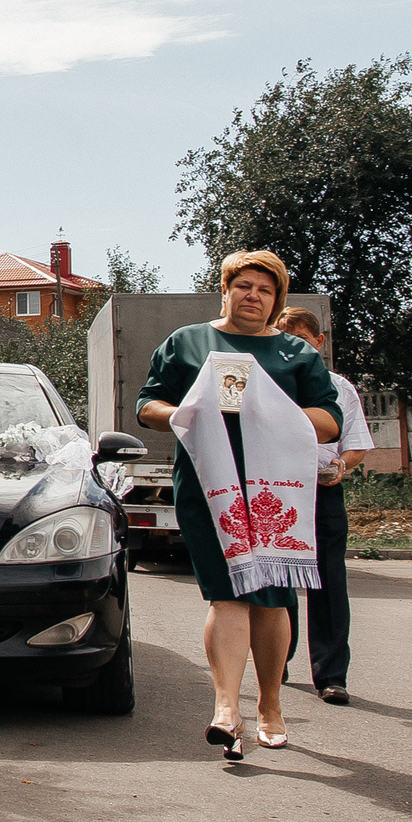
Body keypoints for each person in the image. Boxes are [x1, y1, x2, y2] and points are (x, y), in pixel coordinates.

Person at [137, 251, 342, 759]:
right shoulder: (188, 342)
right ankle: (227, 708)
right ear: (225, 290)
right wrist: (188, 413)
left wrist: (272, 409)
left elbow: (329, 420)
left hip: (277, 491)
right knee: (226, 595)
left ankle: (270, 706)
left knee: (271, 599)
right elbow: (148, 404)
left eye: (266, 290)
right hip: (210, 487)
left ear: (278, 300)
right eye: (244, 286)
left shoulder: (297, 353)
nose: (254, 296)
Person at [275, 306, 371, 704]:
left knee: (329, 581)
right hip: (277, 491)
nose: (294, 348)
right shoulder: (269, 383)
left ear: (319, 342)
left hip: (323, 490)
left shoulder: (338, 387)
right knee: (277, 578)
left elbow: (357, 446)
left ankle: (331, 675)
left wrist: (339, 466)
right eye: (286, 341)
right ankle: (276, 658)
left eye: (301, 340)